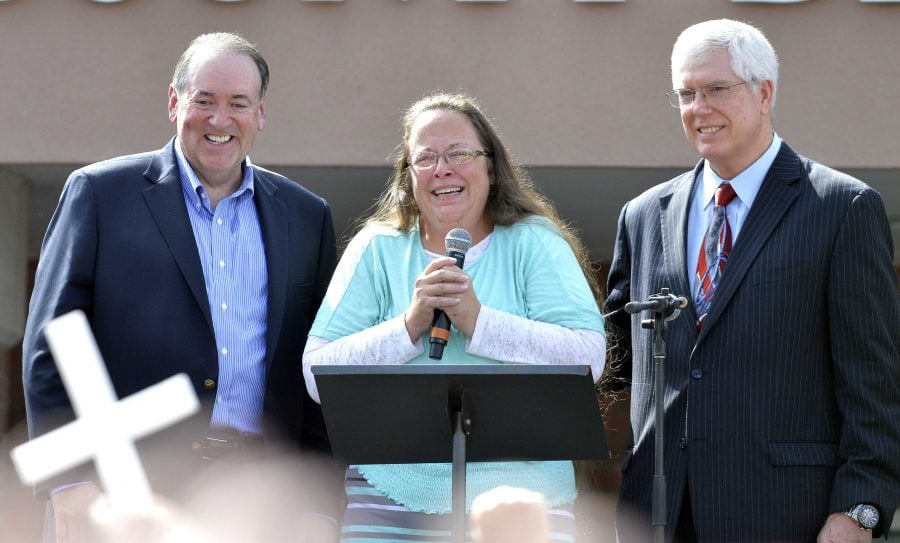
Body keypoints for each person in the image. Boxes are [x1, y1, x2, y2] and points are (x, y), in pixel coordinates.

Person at [22, 32, 338, 542]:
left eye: (238, 103)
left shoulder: (305, 216)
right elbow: (50, 345)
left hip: (258, 501)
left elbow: (317, 363)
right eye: (204, 101)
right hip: (123, 494)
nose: (219, 119)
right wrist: (68, 480)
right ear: (174, 103)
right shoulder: (101, 195)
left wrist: (319, 506)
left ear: (260, 114)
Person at [605, 18, 900, 542]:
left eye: (717, 89)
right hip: (658, 512)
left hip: (788, 515)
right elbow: (614, 358)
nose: (699, 108)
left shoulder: (841, 208)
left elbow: (873, 382)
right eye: (686, 93)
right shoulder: (643, 215)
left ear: (764, 93)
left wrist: (859, 508)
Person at [302, 91, 606, 543]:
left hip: (523, 505)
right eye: (424, 158)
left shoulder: (534, 242)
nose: (442, 169)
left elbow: (588, 358)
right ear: (408, 177)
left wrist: (478, 321)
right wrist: (410, 323)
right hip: (389, 501)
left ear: (490, 165)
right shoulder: (377, 247)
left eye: (459, 153)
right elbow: (315, 372)